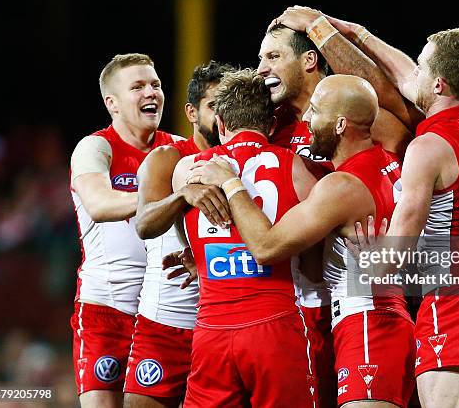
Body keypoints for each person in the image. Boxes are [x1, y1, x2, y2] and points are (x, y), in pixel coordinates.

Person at [314, 17, 459, 408]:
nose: (414, 72)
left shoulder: (429, 147)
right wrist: (357, 33)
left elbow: (395, 256)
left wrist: (371, 262)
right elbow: (405, 76)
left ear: (438, 84)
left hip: (455, 305)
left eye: (423, 66)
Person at [187, 74, 416, 408]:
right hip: (384, 320)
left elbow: (266, 248)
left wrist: (231, 183)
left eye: (316, 110)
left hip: (367, 323)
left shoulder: (341, 186)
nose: (306, 120)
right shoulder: (392, 164)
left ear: (339, 124)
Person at [257, 21, 420, 408]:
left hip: (365, 316)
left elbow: (268, 246)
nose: (263, 67)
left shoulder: (348, 176)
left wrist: (228, 186)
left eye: (274, 56)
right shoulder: (385, 163)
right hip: (352, 312)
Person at [171, 68, 317, 408]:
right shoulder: (298, 169)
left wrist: (197, 257)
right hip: (275, 326)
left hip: (212, 329)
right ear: (269, 126)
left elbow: (175, 215)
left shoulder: (189, 168)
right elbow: (312, 264)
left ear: (220, 125)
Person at [122, 61, 235, 408]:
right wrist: (184, 194)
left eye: (228, 106)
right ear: (191, 111)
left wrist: (201, 260)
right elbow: (144, 222)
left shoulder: (242, 162)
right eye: (214, 105)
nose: (222, 116)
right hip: (166, 325)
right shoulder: (167, 158)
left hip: (225, 328)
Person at [69, 53, 177, 408]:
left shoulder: (177, 148)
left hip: (166, 313)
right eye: (138, 86)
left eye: (156, 85)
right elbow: (100, 205)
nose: (152, 92)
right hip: (107, 309)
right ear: (111, 102)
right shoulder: (96, 147)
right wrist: (174, 196)